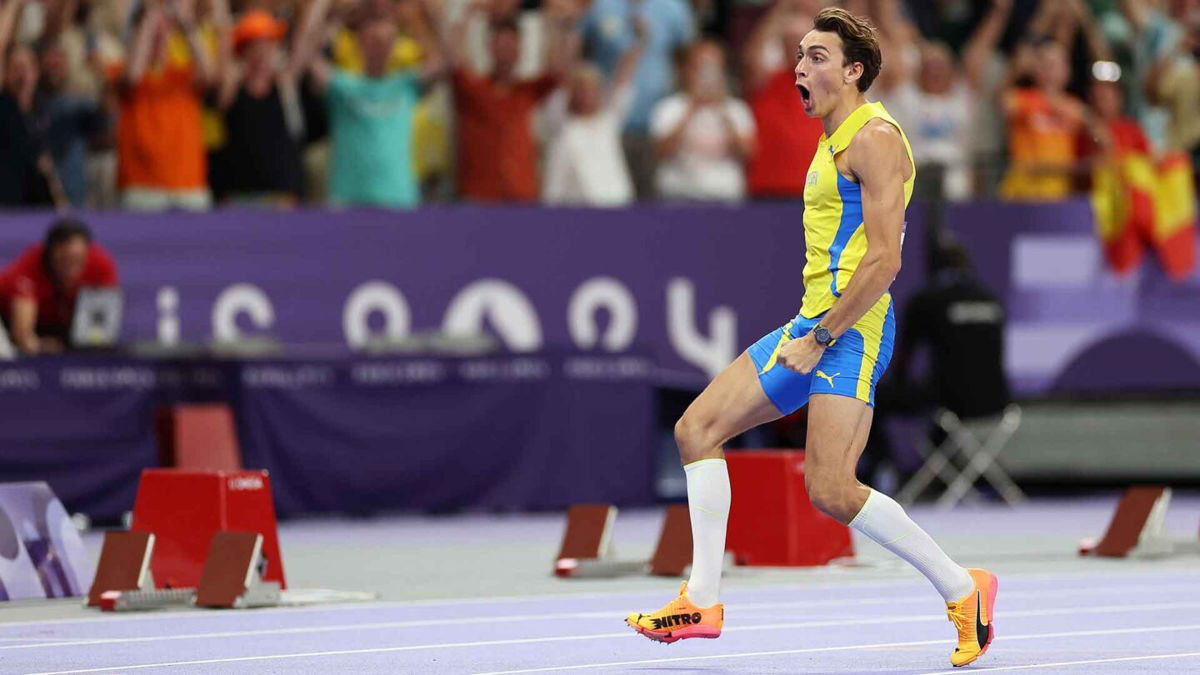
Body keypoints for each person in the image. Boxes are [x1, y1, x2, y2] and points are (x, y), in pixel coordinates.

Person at [625, 8, 998, 669]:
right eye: (800, 54)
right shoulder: (830, 141)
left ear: (855, 70)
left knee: (829, 487)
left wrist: (821, 336)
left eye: (818, 56)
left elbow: (884, 262)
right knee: (696, 430)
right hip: (813, 322)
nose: (801, 66)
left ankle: (965, 590)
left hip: (850, 330)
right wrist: (809, 329)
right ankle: (702, 599)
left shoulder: (875, 137)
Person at [295, 0, 445, 208]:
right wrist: (330, 17)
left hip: (397, 199)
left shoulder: (405, 85)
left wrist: (413, 17)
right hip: (348, 199)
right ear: (359, 44)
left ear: (394, 45)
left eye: (385, 41)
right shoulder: (341, 85)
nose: (378, 48)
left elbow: (440, 64)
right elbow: (306, 58)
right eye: (372, 41)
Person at [450, 1, 575, 202]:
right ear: (490, 48)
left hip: (521, 197)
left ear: (520, 50)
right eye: (500, 45)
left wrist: (552, 22)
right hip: (478, 198)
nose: (506, 52)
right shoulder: (473, 89)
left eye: (511, 45)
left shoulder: (527, 90)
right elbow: (455, 60)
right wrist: (468, 13)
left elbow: (558, 69)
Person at [113, 0, 217, 211]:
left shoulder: (183, 73)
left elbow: (210, 75)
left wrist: (186, 25)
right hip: (141, 185)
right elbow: (132, 77)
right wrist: (149, 19)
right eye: (153, 29)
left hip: (188, 185)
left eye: (166, 28)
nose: (161, 34)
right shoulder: (120, 69)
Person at [209, 4, 307, 205]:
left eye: (269, 45)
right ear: (244, 51)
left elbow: (303, 43)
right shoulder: (232, 86)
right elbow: (224, 47)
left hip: (281, 193)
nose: (263, 54)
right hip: (238, 194)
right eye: (256, 46)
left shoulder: (285, 84)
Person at [542, 18, 644, 206]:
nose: (587, 94)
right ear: (572, 92)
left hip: (617, 207)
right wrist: (565, 36)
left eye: (593, 88)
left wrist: (639, 43)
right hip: (577, 213)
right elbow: (558, 75)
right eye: (581, 88)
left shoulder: (609, 120)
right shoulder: (561, 124)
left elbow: (623, 79)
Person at [650, 40, 755, 203]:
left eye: (713, 68)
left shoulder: (736, 109)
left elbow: (747, 152)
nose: (706, 76)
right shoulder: (669, 108)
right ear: (687, 70)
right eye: (701, 68)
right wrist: (691, 109)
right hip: (679, 197)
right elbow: (661, 152)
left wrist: (722, 110)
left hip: (725, 197)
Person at [741, 0, 824, 200]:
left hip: (817, 190)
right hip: (768, 186)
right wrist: (784, 5)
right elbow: (752, 56)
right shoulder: (767, 81)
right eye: (792, 43)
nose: (798, 51)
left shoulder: (827, 83)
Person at [0, 219, 118, 355]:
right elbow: (24, 336)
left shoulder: (100, 264)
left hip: (64, 324)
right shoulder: (28, 268)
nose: (71, 268)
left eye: (77, 260)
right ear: (50, 252)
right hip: (10, 321)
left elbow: (100, 328)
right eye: (64, 259)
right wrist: (40, 346)